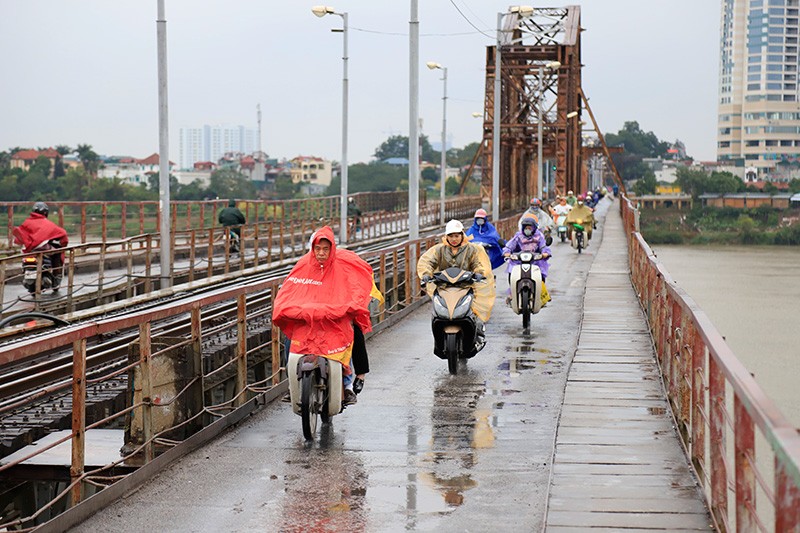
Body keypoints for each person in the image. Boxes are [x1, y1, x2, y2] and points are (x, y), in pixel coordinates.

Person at [273, 226, 381, 406]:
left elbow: (356, 284)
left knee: (353, 332)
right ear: (312, 248)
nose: (321, 253)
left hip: (335, 317)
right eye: (318, 249)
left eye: (325, 249)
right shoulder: (303, 265)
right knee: (289, 339)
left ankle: (349, 383)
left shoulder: (344, 264)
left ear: (332, 249)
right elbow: (291, 287)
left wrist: (351, 305)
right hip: (309, 318)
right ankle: (292, 383)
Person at [417, 219, 496, 348]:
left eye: (456, 236)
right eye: (451, 236)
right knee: (437, 313)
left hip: (465, 287)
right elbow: (429, 262)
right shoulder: (440, 250)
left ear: (461, 235)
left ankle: (478, 335)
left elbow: (477, 263)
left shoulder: (471, 249)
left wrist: (479, 272)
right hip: (444, 288)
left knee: (475, 313)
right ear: (446, 237)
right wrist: (426, 273)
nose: (454, 239)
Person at [13, 202, 69, 289]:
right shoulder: (47, 223)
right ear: (46, 213)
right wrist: (63, 244)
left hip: (28, 250)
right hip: (41, 249)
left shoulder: (27, 222)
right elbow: (63, 234)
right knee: (58, 252)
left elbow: (20, 235)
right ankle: (56, 274)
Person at [502, 216, 551, 306]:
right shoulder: (518, 236)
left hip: (535, 260)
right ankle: (512, 293)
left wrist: (545, 253)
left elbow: (544, 247)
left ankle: (541, 293)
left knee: (541, 272)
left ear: (534, 228)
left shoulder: (539, 236)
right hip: (519, 261)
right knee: (511, 270)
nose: (527, 230)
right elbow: (509, 245)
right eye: (526, 228)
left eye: (530, 228)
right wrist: (507, 252)